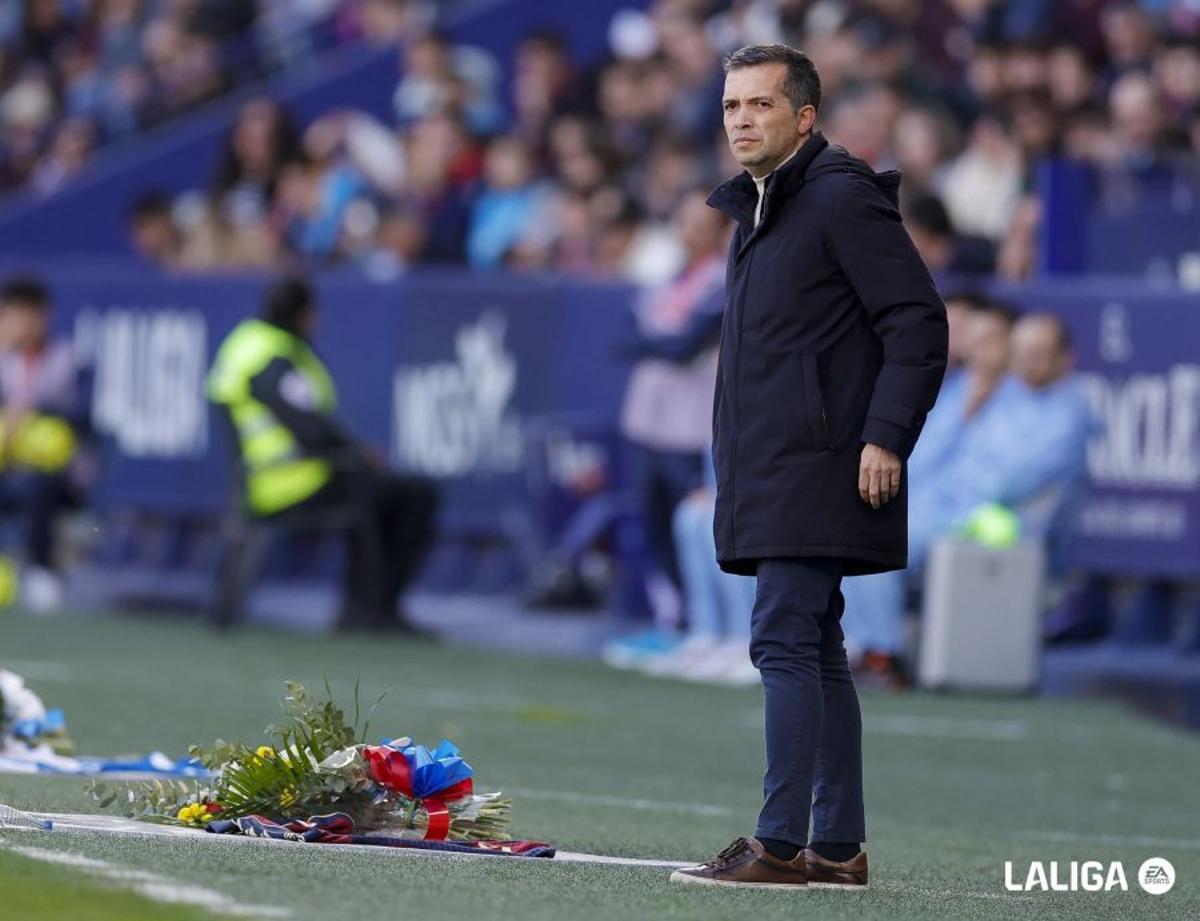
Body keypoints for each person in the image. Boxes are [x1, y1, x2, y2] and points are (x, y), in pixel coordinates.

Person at [670, 45, 948, 890]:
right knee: (817, 647)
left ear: (805, 117)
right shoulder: (760, 205)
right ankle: (837, 846)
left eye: (759, 105)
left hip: (823, 463)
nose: (742, 120)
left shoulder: (838, 198)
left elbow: (918, 322)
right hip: (779, 464)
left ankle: (780, 843)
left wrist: (885, 435)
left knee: (784, 640)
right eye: (730, 106)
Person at [840, 312, 1092, 679]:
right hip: (952, 509)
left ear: (1063, 359)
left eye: (1039, 352)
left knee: (881, 542)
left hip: (999, 522)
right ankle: (861, 646)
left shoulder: (1070, 411)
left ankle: (883, 655)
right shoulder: (999, 394)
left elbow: (1010, 481)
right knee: (854, 527)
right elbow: (939, 462)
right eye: (1021, 351)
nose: (1027, 361)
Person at [207, 276, 439, 633]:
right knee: (391, 491)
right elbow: (307, 426)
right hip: (289, 481)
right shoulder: (274, 356)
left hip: (264, 479)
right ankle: (370, 609)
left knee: (381, 487)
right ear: (304, 314)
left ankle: (369, 607)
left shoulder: (245, 343)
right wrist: (355, 451)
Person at [0, 276, 91, 613]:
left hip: (58, 470)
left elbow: (81, 414)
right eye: (14, 313)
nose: (24, 322)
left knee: (41, 483)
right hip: (7, 465)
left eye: (31, 313)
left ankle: (41, 571)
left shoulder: (69, 357)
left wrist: (31, 414)